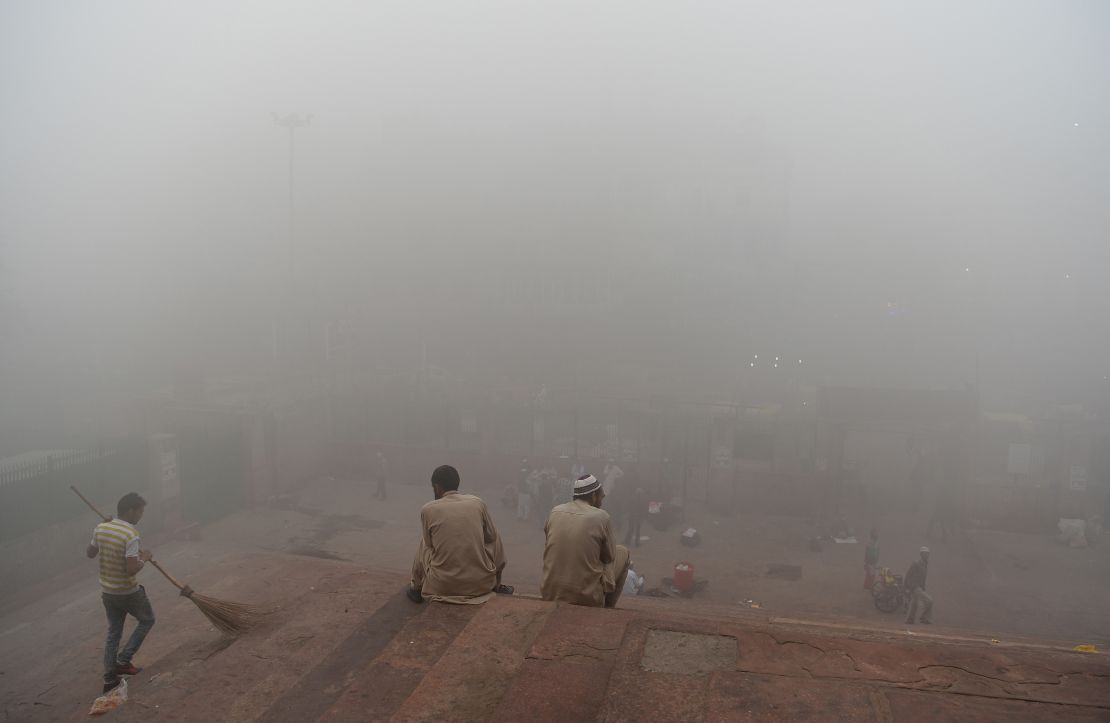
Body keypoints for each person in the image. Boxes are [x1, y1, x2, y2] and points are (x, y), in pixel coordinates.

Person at [408, 465, 512, 604]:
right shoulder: (477, 503)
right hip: (482, 584)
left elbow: (429, 545)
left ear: (437, 487)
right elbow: (491, 537)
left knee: (424, 542)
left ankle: (416, 587)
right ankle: (497, 584)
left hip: (442, 586)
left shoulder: (428, 509)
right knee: (494, 536)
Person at [86, 493, 156, 693]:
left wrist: (100, 535)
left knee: (113, 633)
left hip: (108, 592)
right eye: (140, 511)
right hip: (128, 592)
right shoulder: (130, 534)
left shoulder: (101, 527)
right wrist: (146, 558)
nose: (141, 515)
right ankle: (124, 661)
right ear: (131, 511)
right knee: (148, 620)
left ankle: (109, 679)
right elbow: (132, 569)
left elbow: (90, 553)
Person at [541, 473, 631, 608]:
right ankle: (607, 608)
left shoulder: (555, 511)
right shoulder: (601, 516)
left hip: (550, 593)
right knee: (623, 552)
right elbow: (610, 556)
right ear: (594, 496)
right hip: (586, 596)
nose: (603, 498)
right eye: (601, 495)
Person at [904, 546, 933, 624]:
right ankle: (924, 617)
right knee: (929, 600)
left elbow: (923, 577)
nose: (927, 555)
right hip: (914, 586)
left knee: (914, 604)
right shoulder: (916, 563)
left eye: (928, 554)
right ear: (921, 554)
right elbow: (908, 574)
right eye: (925, 554)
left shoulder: (925, 564)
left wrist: (923, 587)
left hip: (919, 587)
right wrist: (906, 586)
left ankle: (910, 620)